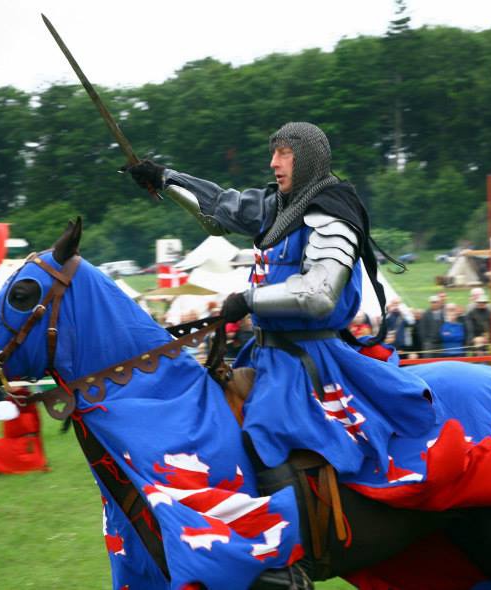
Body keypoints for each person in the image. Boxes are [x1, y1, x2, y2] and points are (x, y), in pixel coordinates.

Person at [124, 122, 434, 497]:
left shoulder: (332, 213)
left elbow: (319, 294)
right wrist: (164, 178)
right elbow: (219, 209)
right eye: (274, 154)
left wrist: (249, 300)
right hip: (267, 354)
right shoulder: (278, 206)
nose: (274, 163)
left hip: (310, 361)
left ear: (307, 160)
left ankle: (303, 526)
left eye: (284, 154)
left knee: (262, 437)